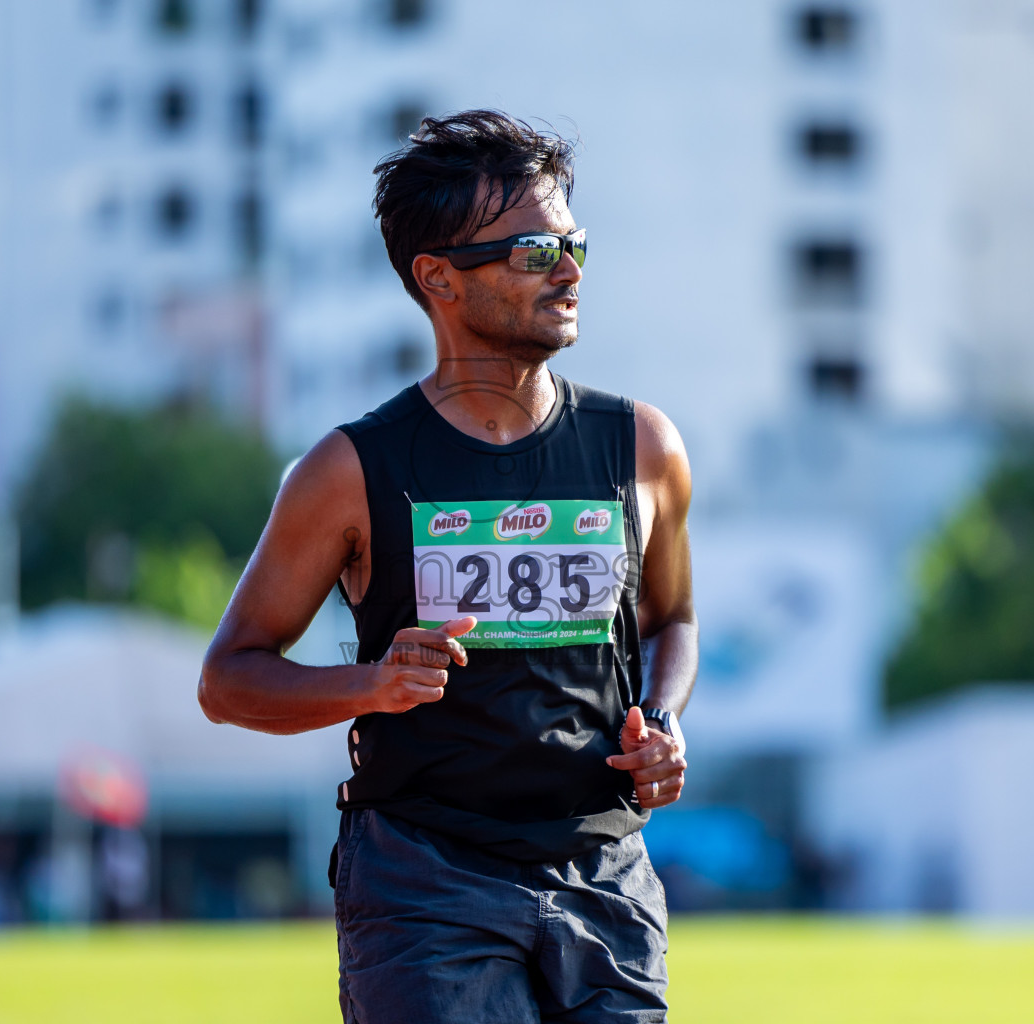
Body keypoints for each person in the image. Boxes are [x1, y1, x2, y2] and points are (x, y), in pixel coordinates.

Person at [199, 110, 696, 1023]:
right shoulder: (348, 471)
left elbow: (673, 623)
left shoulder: (644, 447)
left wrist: (662, 719)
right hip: (427, 883)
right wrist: (371, 684)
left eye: (575, 243)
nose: (572, 271)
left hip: (606, 874)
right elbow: (229, 680)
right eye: (536, 251)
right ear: (439, 280)